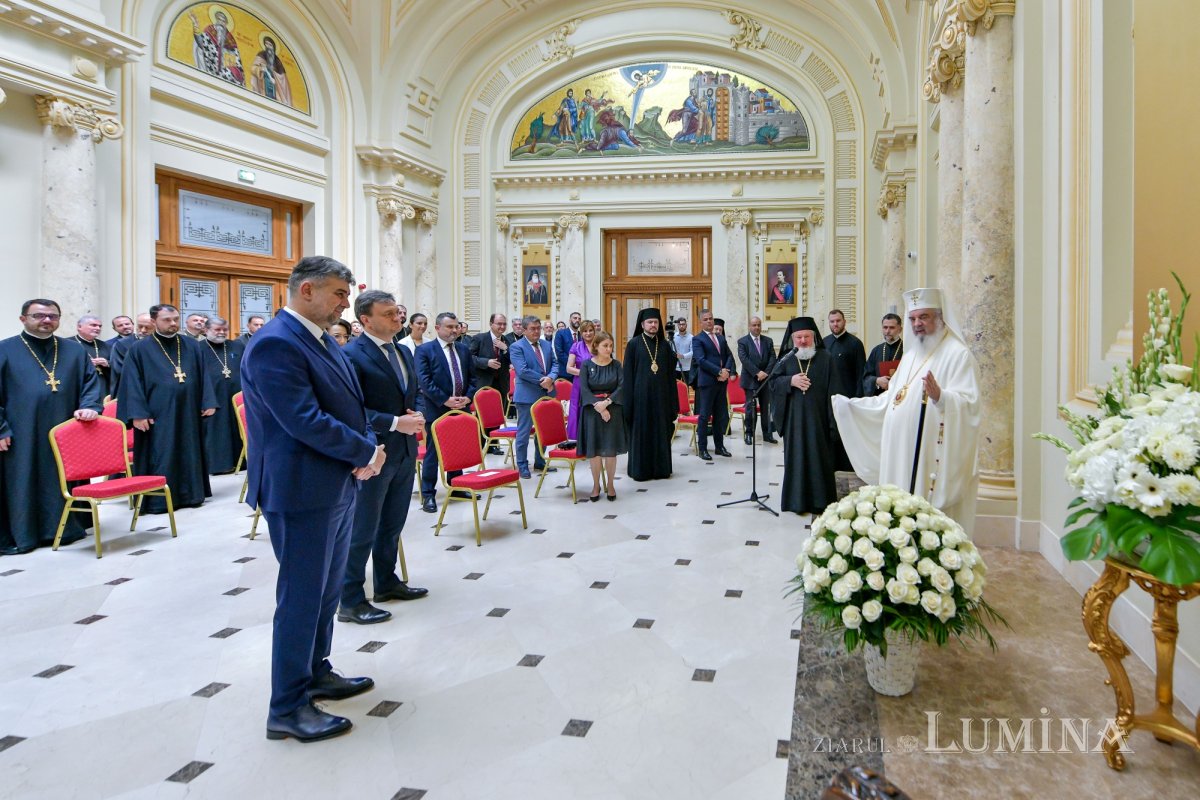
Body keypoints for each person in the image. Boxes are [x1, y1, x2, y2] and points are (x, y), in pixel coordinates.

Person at [241, 256, 384, 743]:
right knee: (301, 597)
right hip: (300, 488)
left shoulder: (318, 337)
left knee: (325, 591)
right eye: (340, 294)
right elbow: (302, 419)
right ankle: (286, 706)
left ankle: (316, 671)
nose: (347, 304)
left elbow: (349, 403)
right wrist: (365, 448)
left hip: (335, 481)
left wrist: (367, 447)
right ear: (306, 290)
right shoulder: (275, 344)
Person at [833, 288, 982, 533]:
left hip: (927, 454)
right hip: (900, 452)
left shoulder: (958, 355)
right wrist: (851, 406)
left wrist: (941, 397)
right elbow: (891, 399)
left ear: (940, 318)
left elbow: (970, 406)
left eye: (923, 317)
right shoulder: (912, 355)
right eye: (913, 318)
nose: (917, 324)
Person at [339, 290, 427, 625]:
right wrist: (394, 422)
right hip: (372, 452)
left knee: (392, 523)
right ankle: (350, 599)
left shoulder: (401, 351)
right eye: (388, 313)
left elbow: (410, 390)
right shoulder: (352, 355)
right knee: (363, 528)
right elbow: (349, 408)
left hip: (403, 450)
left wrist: (413, 413)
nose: (397, 318)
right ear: (365, 319)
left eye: (397, 312)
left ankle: (387, 582)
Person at [0, 299, 102, 555]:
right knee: (24, 479)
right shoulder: (5, 349)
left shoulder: (74, 350)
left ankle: (68, 528)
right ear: (23, 319)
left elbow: (90, 383)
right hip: (22, 431)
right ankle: (26, 534)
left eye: (53, 316)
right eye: (39, 315)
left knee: (63, 476)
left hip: (67, 428)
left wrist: (90, 406)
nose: (47, 320)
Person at [118, 304, 216, 513]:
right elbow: (130, 383)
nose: (173, 324)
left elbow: (204, 374)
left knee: (189, 449)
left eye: (175, 319)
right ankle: (158, 500)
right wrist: (137, 413)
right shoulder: (139, 349)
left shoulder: (191, 345)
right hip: (156, 413)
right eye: (167, 320)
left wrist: (208, 400)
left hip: (189, 409)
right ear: (154, 322)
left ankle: (191, 495)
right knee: (161, 453)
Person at [770, 319, 837, 515]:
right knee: (796, 458)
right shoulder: (786, 359)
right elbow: (772, 383)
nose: (803, 341)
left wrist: (833, 422)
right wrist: (790, 380)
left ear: (814, 337)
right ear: (792, 339)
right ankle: (795, 502)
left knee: (819, 458)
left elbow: (834, 391)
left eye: (807, 337)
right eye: (798, 337)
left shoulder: (826, 358)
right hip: (794, 421)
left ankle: (820, 501)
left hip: (819, 420)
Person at [415, 312, 476, 513]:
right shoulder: (425, 350)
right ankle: (429, 494)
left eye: (456, 326)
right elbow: (425, 381)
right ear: (438, 327)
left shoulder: (464, 349)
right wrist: (445, 399)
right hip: (437, 408)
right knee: (434, 452)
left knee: (457, 448)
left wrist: (467, 397)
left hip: (462, 407)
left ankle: (456, 485)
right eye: (449, 327)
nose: (454, 330)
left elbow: (473, 378)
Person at [622, 308, 678, 481]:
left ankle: (661, 470)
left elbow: (671, 376)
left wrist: (672, 403)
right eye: (650, 322)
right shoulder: (634, 344)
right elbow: (628, 376)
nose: (653, 325)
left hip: (661, 399)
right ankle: (640, 471)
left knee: (660, 432)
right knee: (642, 434)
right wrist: (628, 403)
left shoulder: (665, 346)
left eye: (655, 322)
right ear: (642, 324)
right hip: (640, 400)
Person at [577, 331, 627, 501]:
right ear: (596, 346)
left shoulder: (617, 365)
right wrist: (599, 406)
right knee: (595, 450)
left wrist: (607, 403)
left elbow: (621, 387)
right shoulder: (585, 365)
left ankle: (611, 484)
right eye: (605, 345)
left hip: (612, 409)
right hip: (592, 411)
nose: (609, 348)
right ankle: (596, 484)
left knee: (610, 450)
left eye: (611, 345)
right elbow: (584, 389)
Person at [509, 316, 559, 479]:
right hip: (526, 396)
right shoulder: (517, 347)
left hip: (545, 394)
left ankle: (540, 461)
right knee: (523, 432)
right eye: (533, 328)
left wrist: (550, 378)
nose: (537, 331)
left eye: (539, 328)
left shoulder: (545, 344)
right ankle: (522, 464)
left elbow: (555, 364)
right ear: (524, 330)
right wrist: (543, 381)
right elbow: (522, 371)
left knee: (543, 430)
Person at [199, 316, 244, 475]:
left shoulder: (237, 346)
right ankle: (219, 465)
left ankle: (241, 462)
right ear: (205, 330)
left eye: (225, 329)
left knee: (237, 429)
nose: (222, 333)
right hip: (212, 398)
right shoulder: (197, 348)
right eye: (217, 330)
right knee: (217, 431)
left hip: (237, 396)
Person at [824, 308, 865, 471]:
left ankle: (848, 469)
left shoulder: (855, 344)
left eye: (838, 321)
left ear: (844, 322)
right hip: (828, 400)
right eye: (832, 321)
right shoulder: (824, 343)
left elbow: (861, 374)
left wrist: (857, 400)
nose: (835, 324)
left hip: (848, 399)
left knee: (846, 436)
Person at [692, 309, 734, 460]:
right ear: (701, 322)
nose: (709, 321)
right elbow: (701, 360)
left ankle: (719, 446)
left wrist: (727, 370)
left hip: (721, 382)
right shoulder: (698, 339)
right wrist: (719, 372)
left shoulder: (720, 338)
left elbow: (729, 355)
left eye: (711, 318)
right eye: (706, 319)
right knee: (704, 416)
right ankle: (703, 448)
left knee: (720, 415)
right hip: (708, 382)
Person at [469, 313, 511, 453]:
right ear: (491, 324)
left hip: (501, 383)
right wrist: (486, 362)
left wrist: (505, 349)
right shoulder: (479, 338)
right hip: (484, 383)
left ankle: (493, 444)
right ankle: (480, 444)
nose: (502, 327)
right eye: (499, 324)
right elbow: (469, 358)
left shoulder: (507, 340)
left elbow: (513, 360)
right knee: (482, 414)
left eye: (504, 324)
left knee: (496, 413)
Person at [737, 316, 778, 445]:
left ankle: (767, 434)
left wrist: (765, 373)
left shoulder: (768, 341)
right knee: (751, 409)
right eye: (754, 325)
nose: (757, 327)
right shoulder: (742, 341)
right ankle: (749, 434)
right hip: (750, 381)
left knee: (766, 408)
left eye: (759, 325)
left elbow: (773, 357)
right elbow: (744, 359)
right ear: (749, 326)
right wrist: (757, 372)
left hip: (765, 380)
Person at [565, 320, 596, 439]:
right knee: (578, 411)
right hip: (580, 384)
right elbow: (568, 368)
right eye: (585, 331)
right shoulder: (576, 346)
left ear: (594, 331)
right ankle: (577, 441)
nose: (588, 333)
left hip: (597, 384)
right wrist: (584, 373)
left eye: (590, 330)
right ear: (581, 333)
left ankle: (593, 441)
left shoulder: (599, 345)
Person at [109, 312, 152, 397]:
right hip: (132, 392)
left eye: (147, 327)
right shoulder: (122, 345)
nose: (143, 330)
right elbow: (120, 373)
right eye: (140, 327)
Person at [862, 313, 905, 397]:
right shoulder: (876, 350)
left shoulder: (907, 350)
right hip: (879, 397)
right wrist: (877, 380)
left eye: (892, 327)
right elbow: (866, 377)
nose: (887, 331)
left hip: (900, 396)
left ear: (900, 329)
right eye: (885, 327)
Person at [73, 314, 112, 398]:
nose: (98, 328)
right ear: (79, 326)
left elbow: (116, 366)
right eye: (93, 325)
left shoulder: (105, 345)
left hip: (103, 388)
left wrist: (107, 363)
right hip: (79, 387)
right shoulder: (68, 344)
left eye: (100, 326)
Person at [250, 35, 292, 106]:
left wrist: (275, 75)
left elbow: (283, 78)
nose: (268, 46)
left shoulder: (277, 60)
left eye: (270, 45)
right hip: (263, 84)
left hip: (275, 88)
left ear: (273, 47)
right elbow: (253, 68)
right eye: (266, 44)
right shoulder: (261, 55)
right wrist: (260, 69)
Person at [554, 311, 582, 382]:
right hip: (565, 373)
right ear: (570, 320)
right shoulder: (561, 333)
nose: (577, 320)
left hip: (579, 372)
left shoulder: (582, 335)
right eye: (575, 318)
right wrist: (573, 364)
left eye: (579, 319)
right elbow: (559, 352)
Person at [672, 317, 694, 386]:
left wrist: (683, 356)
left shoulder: (691, 337)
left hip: (687, 368)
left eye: (683, 324)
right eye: (680, 324)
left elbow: (693, 352)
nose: (681, 326)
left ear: (686, 325)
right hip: (675, 367)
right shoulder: (673, 336)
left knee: (686, 387)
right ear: (677, 325)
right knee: (675, 388)